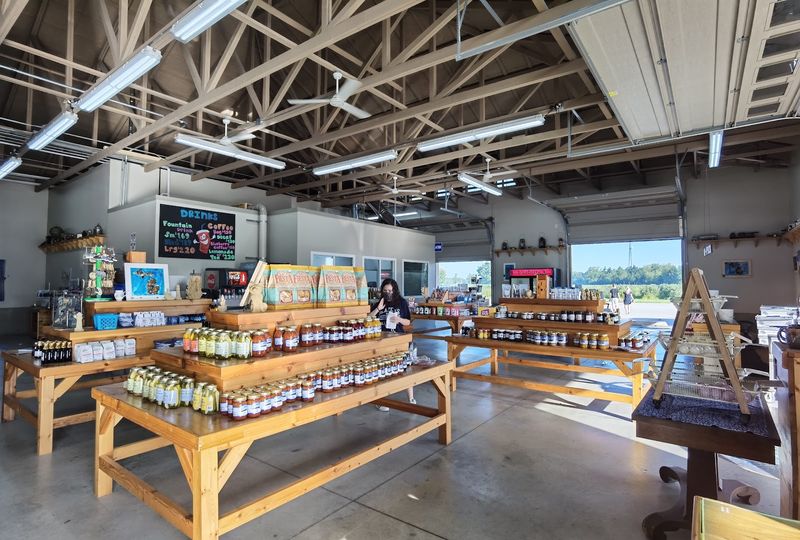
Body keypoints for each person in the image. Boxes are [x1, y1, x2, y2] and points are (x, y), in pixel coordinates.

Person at [369, 278, 415, 409]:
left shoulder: (401, 303)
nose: (388, 293)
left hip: (399, 339)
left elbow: (408, 322)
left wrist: (399, 319)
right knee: (382, 371)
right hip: (382, 341)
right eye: (385, 290)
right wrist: (378, 309)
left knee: (405, 367)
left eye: (390, 290)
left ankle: (411, 397)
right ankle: (381, 400)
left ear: (394, 290)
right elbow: (368, 318)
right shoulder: (379, 302)